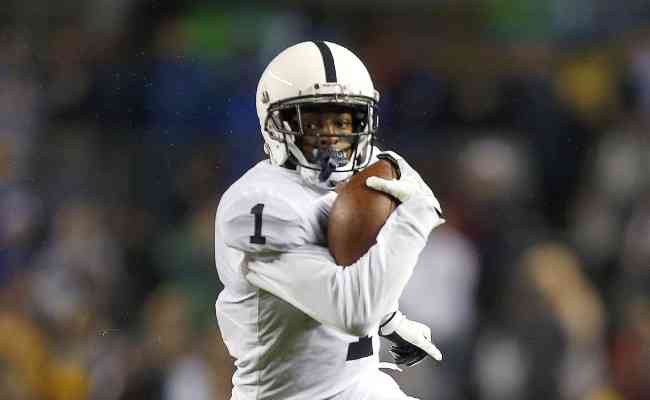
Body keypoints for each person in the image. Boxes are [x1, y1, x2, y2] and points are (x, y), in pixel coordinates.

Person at [214, 41, 445, 400]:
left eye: (343, 119)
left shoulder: (355, 182)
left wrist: (390, 321)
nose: (332, 135)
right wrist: (417, 216)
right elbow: (352, 311)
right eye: (314, 120)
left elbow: (341, 267)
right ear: (278, 124)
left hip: (359, 384)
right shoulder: (258, 204)